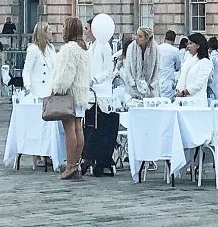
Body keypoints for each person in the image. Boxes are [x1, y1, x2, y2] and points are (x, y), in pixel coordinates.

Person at [48, 17, 91, 180]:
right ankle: (76, 164)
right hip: (80, 93)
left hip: (69, 94)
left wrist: (56, 89)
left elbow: (66, 74)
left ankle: (70, 165)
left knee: (69, 130)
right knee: (78, 128)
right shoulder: (83, 48)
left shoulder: (68, 49)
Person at [84, 20, 121, 176]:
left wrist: (95, 79)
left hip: (102, 92)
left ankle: (100, 160)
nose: (85, 32)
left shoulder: (104, 46)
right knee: (92, 127)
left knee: (102, 128)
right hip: (92, 93)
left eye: (87, 28)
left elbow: (108, 70)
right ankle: (90, 156)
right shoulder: (91, 47)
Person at [175, 31, 213, 105]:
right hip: (183, 100)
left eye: (191, 43)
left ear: (198, 45)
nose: (188, 46)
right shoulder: (187, 59)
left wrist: (184, 92)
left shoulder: (205, 62)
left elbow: (199, 83)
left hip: (196, 101)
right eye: (188, 44)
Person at [124, 27, 158, 101]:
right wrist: (132, 83)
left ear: (146, 39)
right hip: (133, 89)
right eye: (137, 35)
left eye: (140, 36)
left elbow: (158, 68)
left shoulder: (155, 48)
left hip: (150, 89)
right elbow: (127, 67)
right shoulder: (131, 47)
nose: (136, 38)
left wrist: (152, 85)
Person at [21, 23, 53, 100]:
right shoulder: (33, 49)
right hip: (37, 92)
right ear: (43, 33)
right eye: (49, 29)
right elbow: (26, 70)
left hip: (50, 91)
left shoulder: (51, 48)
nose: (52, 32)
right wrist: (27, 86)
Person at [155, 30, 183, 100]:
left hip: (157, 80)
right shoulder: (175, 50)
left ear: (165, 37)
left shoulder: (157, 48)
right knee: (167, 103)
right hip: (168, 80)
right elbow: (178, 67)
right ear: (174, 39)